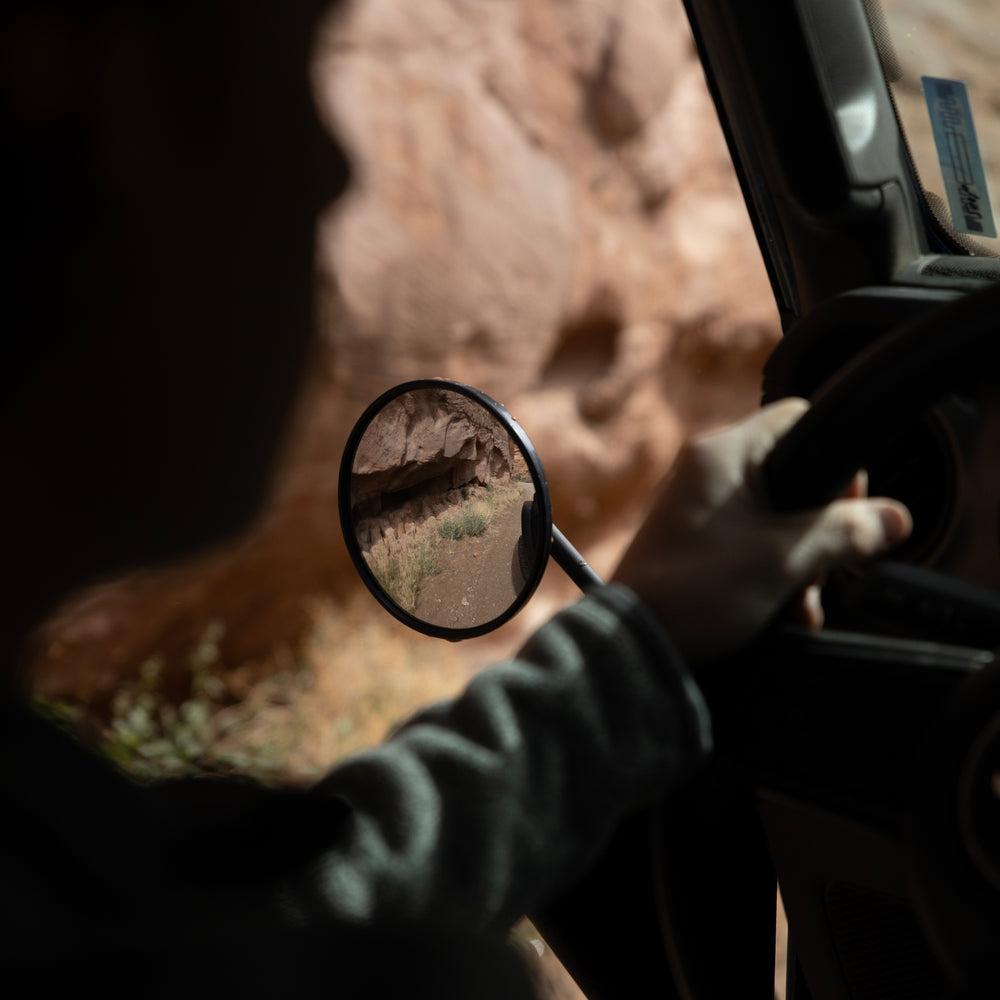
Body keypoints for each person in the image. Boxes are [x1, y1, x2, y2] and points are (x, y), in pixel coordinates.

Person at [0, 2, 912, 996]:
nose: (333, 171)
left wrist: (645, 636)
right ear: (111, 106)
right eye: (296, 66)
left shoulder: (66, 848)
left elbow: (309, 891)